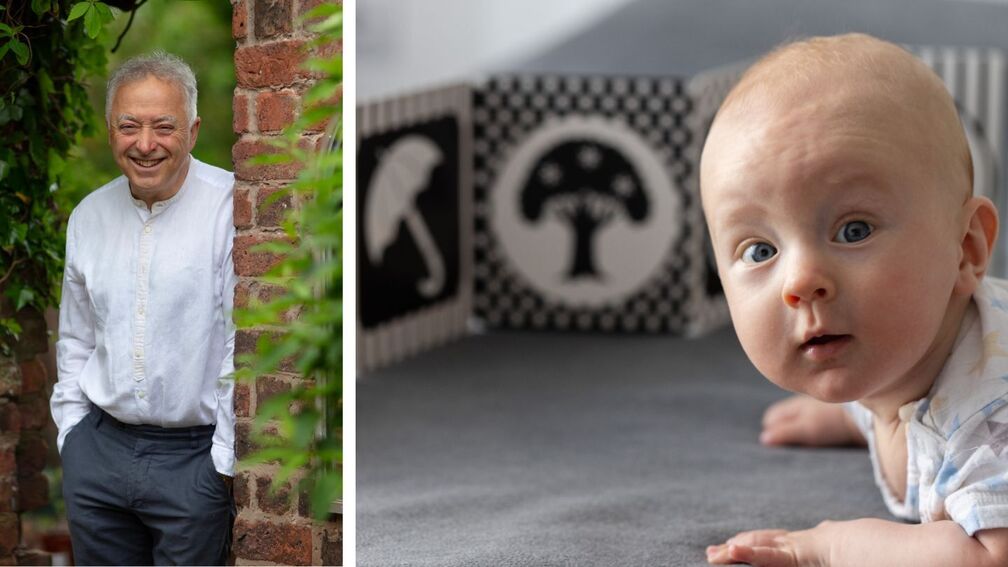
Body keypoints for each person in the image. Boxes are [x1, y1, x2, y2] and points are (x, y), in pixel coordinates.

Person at [700, 33, 1008, 566]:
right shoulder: (895, 350)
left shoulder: (988, 420)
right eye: (759, 250)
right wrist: (852, 415)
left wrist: (827, 547)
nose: (802, 281)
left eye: (854, 230)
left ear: (965, 249)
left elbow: (986, 556)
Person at [51, 50, 236, 565]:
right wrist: (72, 436)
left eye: (164, 126)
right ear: (111, 131)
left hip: (193, 461)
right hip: (99, 455)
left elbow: (242, 345)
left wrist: (220, 464)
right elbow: (76, 338)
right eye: (129, 126)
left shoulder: (230, 208)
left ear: (194, 131)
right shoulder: (88, 217)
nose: (146, 144)